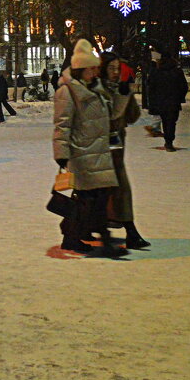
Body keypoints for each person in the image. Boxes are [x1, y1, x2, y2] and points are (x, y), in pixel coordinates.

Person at [53, 40, 125, 259]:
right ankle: (87, 237)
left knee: (95, 198)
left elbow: (111, 116)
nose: (96, 71)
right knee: (89, 199)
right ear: (81, 69)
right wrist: (62, 154)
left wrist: (118, 92)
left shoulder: (96, 89)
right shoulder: (68, 92)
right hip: (82, 153)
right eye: (92, 68)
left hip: (99, 152)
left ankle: (75, 234)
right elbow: (62, 124)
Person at [100, 51, 148, 249]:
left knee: (114, 188)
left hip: (116, 145)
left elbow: (132, 116)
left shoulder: (120, 88)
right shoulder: (97, 89)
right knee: (103, 189)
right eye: (111, 68)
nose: (115, 72)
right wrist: (122, 96)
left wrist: (128, 95)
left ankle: (126, 231)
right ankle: (128, 231)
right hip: (99, 145)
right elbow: (109, 116)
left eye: (118, 69)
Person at [146, 50, 188, 151]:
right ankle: (169, 141)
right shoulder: (177, 71)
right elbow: (184, 87)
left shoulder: (156, 72)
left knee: (165, 121)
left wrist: (152, 101)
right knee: (171, 122)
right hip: (173, 101)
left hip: (160, 101)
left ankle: (168, 141)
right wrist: (179, 97)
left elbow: (151, 87)